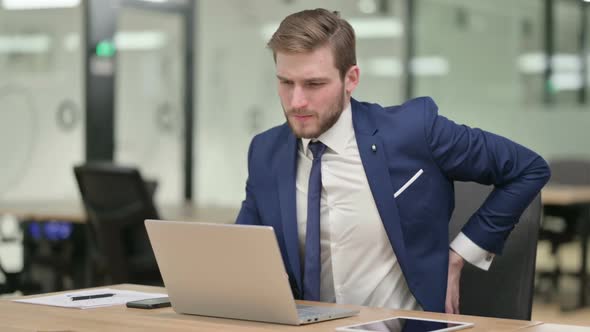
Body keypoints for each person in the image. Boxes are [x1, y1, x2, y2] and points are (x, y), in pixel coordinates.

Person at [235, 8, 550, 314]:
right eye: (286, 83)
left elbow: (528, 168)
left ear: (351, 79)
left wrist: (458, 256)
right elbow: (243, 252)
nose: (297, 101)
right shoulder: (266, 152)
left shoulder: (414, 131)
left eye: (314, 84)